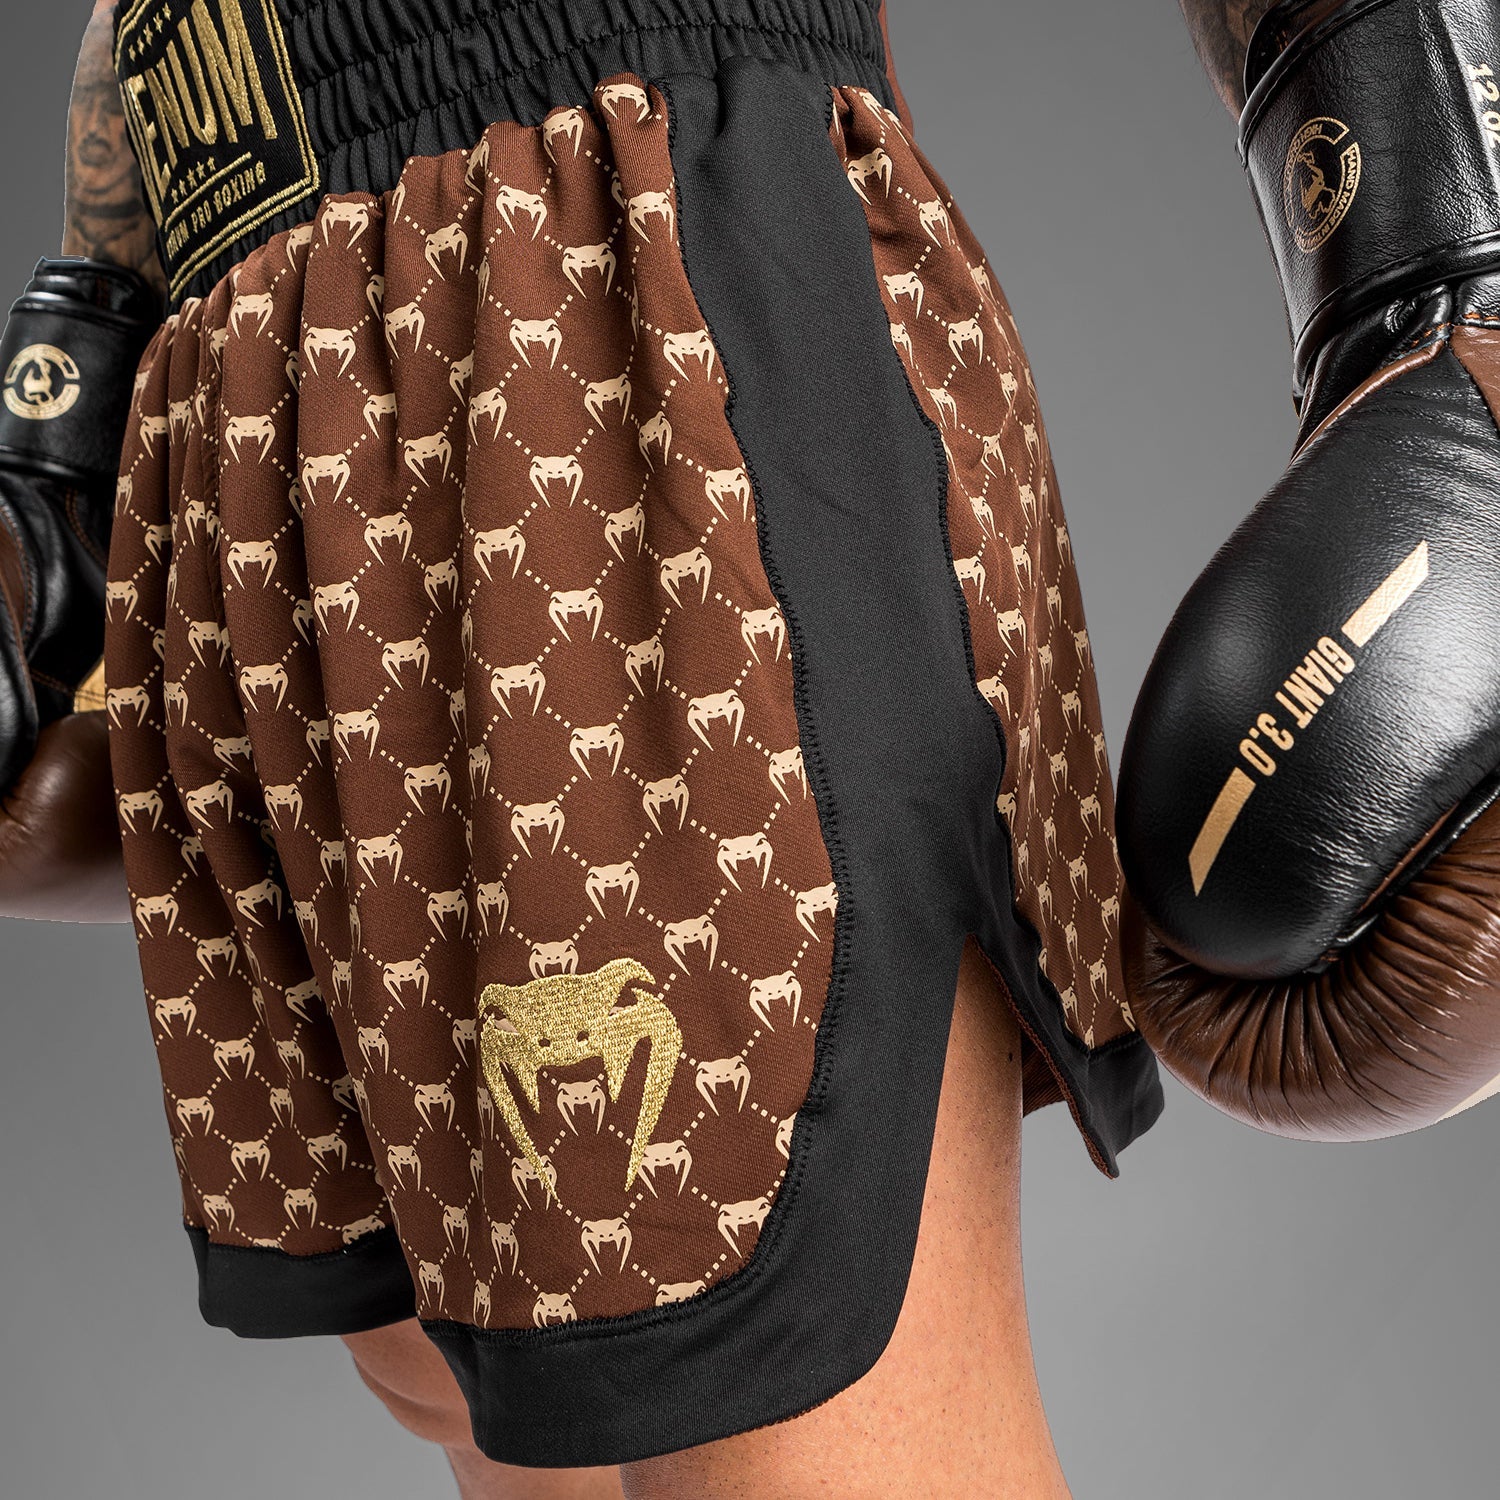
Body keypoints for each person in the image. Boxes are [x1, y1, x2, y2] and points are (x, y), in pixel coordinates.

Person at [0, 2, 1296, 1496]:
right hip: (243, 362)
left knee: (748, 1386)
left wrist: (1418, 251)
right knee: (484, 1410)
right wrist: (65, 404)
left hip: (606, 281)